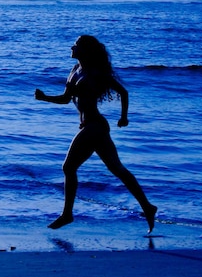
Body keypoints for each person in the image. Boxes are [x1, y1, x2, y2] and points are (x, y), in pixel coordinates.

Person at [35, 35, 157, 233]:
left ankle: (67, 214)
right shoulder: (74, 71)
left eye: (76, 45)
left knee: (68, 167)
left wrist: (124, 117)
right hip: (90, 127)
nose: (72, 47)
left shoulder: (96, 72)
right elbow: (66, 99)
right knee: (118, 170)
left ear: (85, 50)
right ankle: (148, 207)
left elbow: (123, 92)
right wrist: (44, 98)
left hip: (95, 126)